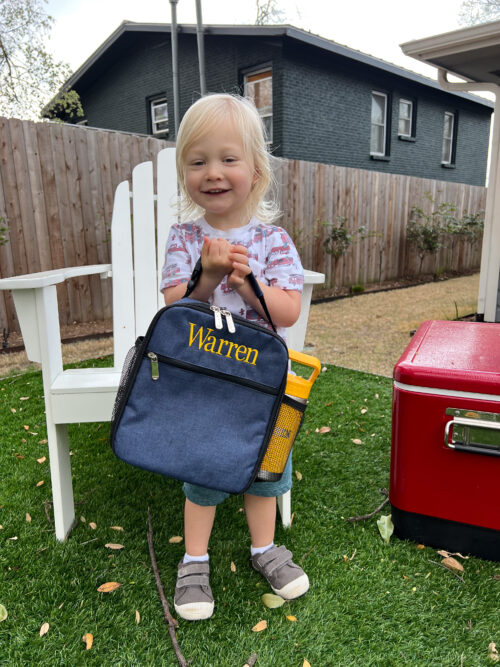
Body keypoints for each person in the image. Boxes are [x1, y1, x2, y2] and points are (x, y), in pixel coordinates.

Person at [160, 93, 308, 621]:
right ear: (185, 173)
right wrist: (208, 274)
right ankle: (194, 559)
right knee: (205, 471)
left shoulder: (273, 241)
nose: (213, 172)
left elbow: (286, 312)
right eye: (197, 162)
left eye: (228, 159)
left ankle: (263, 549)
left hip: (265, 385)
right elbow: (176, 307)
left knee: (266, 471)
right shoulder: (184, 238)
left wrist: (248, 286)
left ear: (256, 170)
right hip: (207, 378)